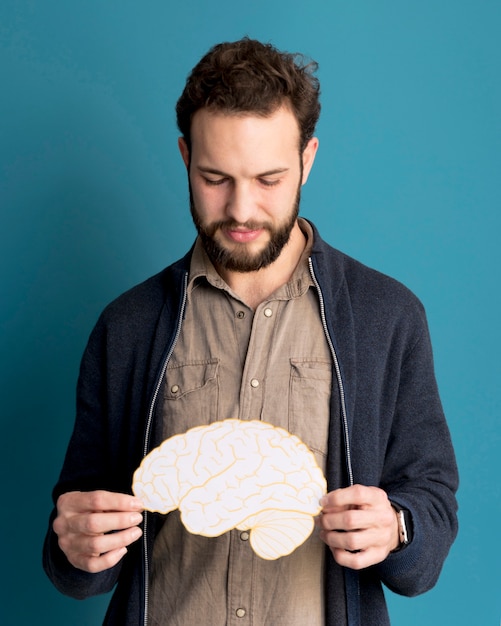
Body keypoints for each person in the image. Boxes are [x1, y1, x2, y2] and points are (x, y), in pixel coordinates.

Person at [43, 38, 459, 626]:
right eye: (216, 178)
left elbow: (432, 508)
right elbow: (79, 543)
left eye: (269, 179)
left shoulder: (386, 316)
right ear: (185, 157)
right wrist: (75, 543)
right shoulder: (127, 327)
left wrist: (397, 526)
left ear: (307, 160)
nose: (241, 210)